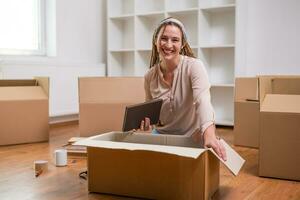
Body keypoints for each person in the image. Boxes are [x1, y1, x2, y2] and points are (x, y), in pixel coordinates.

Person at [141, 17, 227, 161]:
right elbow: (151, 113)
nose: (168, 44)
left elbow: (203, 101)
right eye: (164, 38)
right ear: (156, 41)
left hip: (190, 137)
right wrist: (146, 123)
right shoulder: (149, 76)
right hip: (162, 137)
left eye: (175, 40)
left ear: (182, 44)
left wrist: (209, 134)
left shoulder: (194, 67)